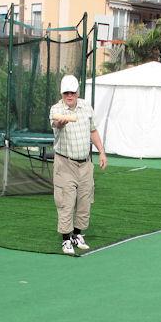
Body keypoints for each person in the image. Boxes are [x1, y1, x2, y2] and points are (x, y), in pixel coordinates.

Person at [49, 75, 107, 255]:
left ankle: (77, 234)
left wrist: (102, 152)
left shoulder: (86, 107)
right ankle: (66, 239)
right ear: (62, 93)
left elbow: (93, 130)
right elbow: (56, 124)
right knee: (66, 201)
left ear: (77, 93)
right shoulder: (56, 109)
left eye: (72, 92)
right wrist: (61, 123)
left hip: (85, 164)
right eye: (66, 92)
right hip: (65, 163)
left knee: (84, 200)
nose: (69, 95)